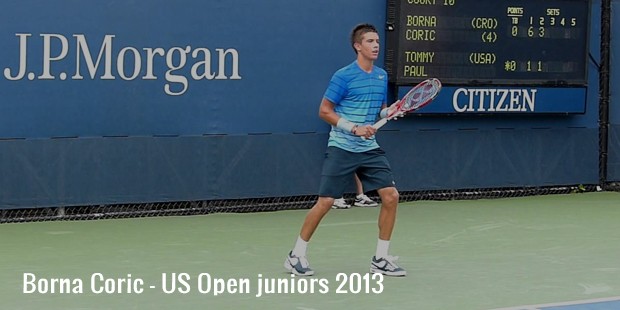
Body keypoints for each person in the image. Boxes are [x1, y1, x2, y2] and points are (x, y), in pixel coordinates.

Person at [284, 23, 406, 277]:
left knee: (391, 196)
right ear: (357, 46)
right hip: (342, 146)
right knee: (326, 201)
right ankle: (296, 255)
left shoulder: (381, 76)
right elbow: (324, 111)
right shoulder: (343, 76)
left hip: (369, 148)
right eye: (370, 41)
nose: (376, 46)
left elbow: (378, 111)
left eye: (377, 41)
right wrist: (353, 128)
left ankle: (381, 259)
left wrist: (390, 112)